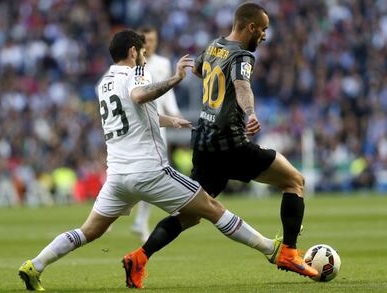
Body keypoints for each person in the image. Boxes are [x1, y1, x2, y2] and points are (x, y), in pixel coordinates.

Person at [18, 29, 284, 291]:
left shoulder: (104, 83)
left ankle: (35, 265)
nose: (145, 57)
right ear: (133, 51)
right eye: (143, 52)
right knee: (212, 208)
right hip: (149, 171)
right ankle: (270, 249)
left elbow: (134, 114)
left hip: (118, 177)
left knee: (89, 231)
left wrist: (169, 121)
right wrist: (174, 78)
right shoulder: (137, 72)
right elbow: (138, 96)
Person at [123, 2, 318, 288]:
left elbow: (199, 70)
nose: (264, 36)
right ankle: (288, 252)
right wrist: (250, 113)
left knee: (189, 215)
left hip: (203, 143)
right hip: (231, 143)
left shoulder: (215, 46)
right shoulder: (243, 55)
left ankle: (139, 257)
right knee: (294, 181)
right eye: (263, 30)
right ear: (250, 27)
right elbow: (242, 86)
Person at [131, 26, 183, 243]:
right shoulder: (131, 64)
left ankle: (141, 221)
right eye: (145, 39)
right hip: (135, 125)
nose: (149, 43)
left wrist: (176, 114)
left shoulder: (162, 64)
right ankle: (114, 215)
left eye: (152, 39)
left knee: (153, 171)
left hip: (157, 124)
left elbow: (166, 95)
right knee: (133, 171)